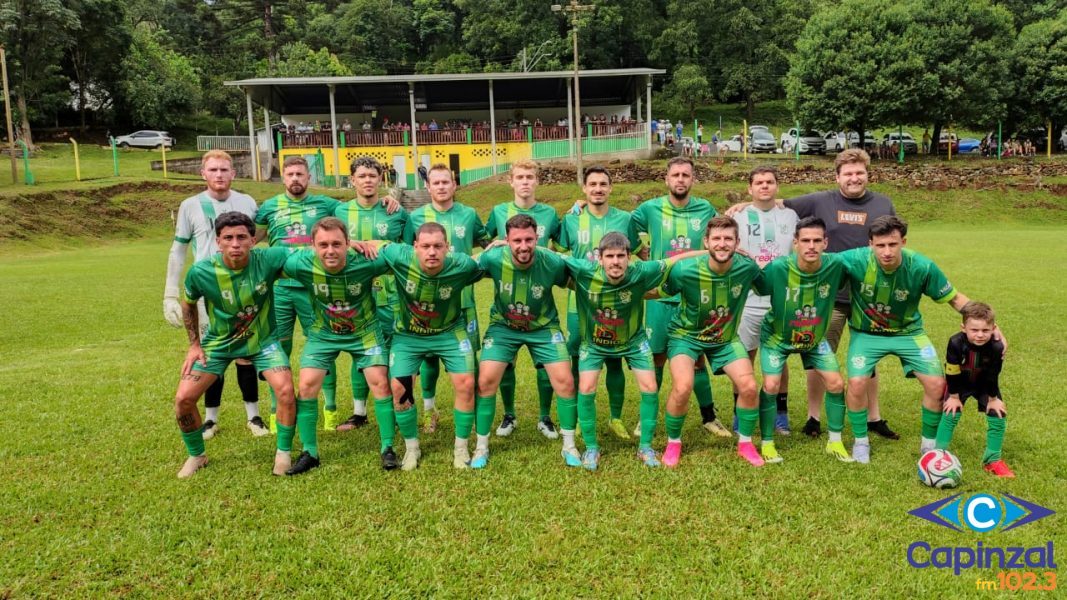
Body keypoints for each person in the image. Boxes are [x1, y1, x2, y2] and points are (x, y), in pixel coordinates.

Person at [726, 148, 899, 440]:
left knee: (868, 357)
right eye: (848, 173)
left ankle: (874, 417)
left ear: (868, 174)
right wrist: (743, 205)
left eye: (859, 173)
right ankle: (813, 416)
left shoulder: (883, 203)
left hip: (868, 296)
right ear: (837, 176)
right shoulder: (820, 200)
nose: (854, 178)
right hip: (827, 295)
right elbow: (773, 201)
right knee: (817, 353)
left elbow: (891, 243)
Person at [838, 216, 997, 464]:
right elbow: (815, 265)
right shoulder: (853, 259)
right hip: (866, 333)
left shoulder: (921, 266)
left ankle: (928, 446)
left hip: (909, 333)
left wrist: (991, 327)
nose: (887, 252)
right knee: (857, 382)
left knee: (936, 384)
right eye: (880, 246)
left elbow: (955, 299)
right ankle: (861, 442)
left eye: (893, 244)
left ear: (903, 241)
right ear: (870, 244)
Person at [563, 232, 702, 470]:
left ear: (630, 257)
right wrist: (504, 243)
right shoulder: (585, 271)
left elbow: (676, 259)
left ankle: (645, 447)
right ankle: (591, 448)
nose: (615, 261)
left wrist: (712, 251)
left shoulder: (642, 272)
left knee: (650, 387)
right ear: (600, 258)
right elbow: (549, 255)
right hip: (594, 343)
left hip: (633, 342)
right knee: (586, 388)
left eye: (620, 256)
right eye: (609, 256)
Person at [173, 212, 294, 478]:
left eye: (241, 237)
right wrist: (194, 344)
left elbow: (310, 251)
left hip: (264, 342)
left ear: (253, 240)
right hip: (219, 343)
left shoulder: (269, 258)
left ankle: (283, 454)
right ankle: (197, 455)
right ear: (218, 242)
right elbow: (188, 304)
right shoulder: (202, 272)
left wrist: (351, 243)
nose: (235, 243)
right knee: (183, 399)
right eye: (228, 238)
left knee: (285, 389)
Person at [163, 150, 266, 439]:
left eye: (224, 169)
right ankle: (210, 419)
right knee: (212, 354)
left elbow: (260, 231)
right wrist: (170, 293)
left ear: (233, 173)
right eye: (213, 170)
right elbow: (179, 248)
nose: (219, 174)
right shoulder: (190, 205)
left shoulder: (246, 202)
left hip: (244, 288)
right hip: (209, 291)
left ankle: (254, 416)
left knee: (247, 353)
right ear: (203, 174)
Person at [283, 218, 397, 472]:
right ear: (312, 245)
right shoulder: (299, 263)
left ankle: (388, 447)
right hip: (324, 333)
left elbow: (394, 250)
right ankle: (309, 452)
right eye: (323, 245)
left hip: (365, 331)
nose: (330, 250)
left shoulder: (368, 261)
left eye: (337, 243)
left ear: (348, 243)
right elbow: (272, 257)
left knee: (380, 382)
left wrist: (371, 242)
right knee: (306, 385)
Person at [629, 157, 727, 438]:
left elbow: (724, 230)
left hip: (693, 297)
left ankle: (709, 417)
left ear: (692, 179)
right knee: (656, 357)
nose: (680, 179)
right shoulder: (650, 208)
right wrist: (640, 251)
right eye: (676, 175)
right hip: (660, 295)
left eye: (686, 175)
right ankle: (645, 417)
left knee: (696, 359)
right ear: (666, 179)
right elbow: (625, 224)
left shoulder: (705, 208)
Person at [656, 217, 765, 468]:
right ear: (706, 242)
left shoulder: (747, 268)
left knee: (748, 386)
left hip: (724, 339)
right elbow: (659, 291)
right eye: (716, 238)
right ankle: (673, 443)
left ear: (738, 243)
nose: (722, 244)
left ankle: (746, 444)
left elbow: (770, 286)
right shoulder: (686, 270)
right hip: (685, 336)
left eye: (728, 239)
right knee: (683, 387)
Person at [474, 214, 576, 468]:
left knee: (565, 380)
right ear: (506, 240)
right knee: (486, 380)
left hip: (543, 327)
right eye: (516, 240)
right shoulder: (493, 258)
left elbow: (577, 280)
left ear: (537, 238)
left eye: (529, 239)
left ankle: (570, 446)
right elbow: (462, 270)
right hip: (504, 326)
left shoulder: (551, 261)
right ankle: (481, 447)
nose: (523, 246)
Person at [381, 223, 485, 470]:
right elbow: (377, 246)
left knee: (467, 383)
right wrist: (356, 243)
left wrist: (498, 247)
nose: (432, 252)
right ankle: (411, 448)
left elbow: (484, 262)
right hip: (408, 336)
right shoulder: (398, 255)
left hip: (449, 332)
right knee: (399, 389)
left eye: (438, 246)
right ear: (414, 247)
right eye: (425, 246)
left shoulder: (462, 265)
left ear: (448, 247)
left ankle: (461, 448)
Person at [752, 217, 851, 463]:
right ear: (795, 243)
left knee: (837, 384)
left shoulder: (836, 265)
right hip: (777, 337)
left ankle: (835, 442)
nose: (811, 246)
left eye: (817, 240)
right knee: (772, 385)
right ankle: (766, 443)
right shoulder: (777, 267)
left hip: (814, 339)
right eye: (805, 240)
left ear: (826, 243)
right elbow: (759, 285)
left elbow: (869, 255)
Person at [255, 156, 342, 432]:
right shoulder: (269, 207)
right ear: (283, 178)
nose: (295, 178)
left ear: (308, 177)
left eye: (300, 174)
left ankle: (330, 409)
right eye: (290, 174)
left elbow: (357, 211)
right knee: (277, 351)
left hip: (314, 290)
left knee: (321, 348)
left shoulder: (326, 205)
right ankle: (275, 410)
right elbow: (252, 239)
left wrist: (390, 201)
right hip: (279, 291)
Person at [404, 164, 490, 434]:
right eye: (436, 182)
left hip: (464, 299)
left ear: (455, 185)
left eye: (446, 182)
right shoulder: (415, 217)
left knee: (468, 358)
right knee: (429, 359)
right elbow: (408, 253)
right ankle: (430, 410)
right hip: (428, 301)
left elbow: (485, 243)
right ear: (427, 187)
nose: (441, 186)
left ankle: (471, 410)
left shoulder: (469, 214)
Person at [559, 166, 641, 440]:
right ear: (584, 188)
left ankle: (616, 418)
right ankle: (582, 417)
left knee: (615, 360)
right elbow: (557, 253)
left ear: (611, 188)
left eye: (603, 184)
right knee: (577, 356)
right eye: (592, 184)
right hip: (580, 303)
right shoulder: (571, 219)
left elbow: (641, 253)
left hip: (617, 302)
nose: (597, 189)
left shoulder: (625, 218)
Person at [484, 160, 563, 438]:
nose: (525, 181)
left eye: (530, 176)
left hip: (539, 298)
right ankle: (509, 415)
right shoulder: (497, 212)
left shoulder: (551, 213)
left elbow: (562, 245)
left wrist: (578, 207)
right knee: (506, 362)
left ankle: (545, 416)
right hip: (507, 298)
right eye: (520, 177)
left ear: (537, 181)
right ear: (511, 181)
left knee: (545, 364)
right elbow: (488, 244)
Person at [334, 157, 407, 432]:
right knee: (359, 353)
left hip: (390, 294)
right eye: (361, 176)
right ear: (352, 180)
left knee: (393, 353)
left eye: (372, 176)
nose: (367, 180)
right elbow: (324, 241)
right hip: (354, 295)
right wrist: (352, 243)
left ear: (380, 179)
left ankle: (400, 408)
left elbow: (409, 249)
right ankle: (359, 412)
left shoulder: (396, 213)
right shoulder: (339, 212)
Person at [732, 166, 797, 436]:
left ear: (777, 186)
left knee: (779, 359)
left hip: (781, 299)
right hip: (747, 298)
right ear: (750, 188)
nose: (764, 186)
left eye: (769, 182)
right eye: (758, 182)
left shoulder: (792, 215)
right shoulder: (738, 215)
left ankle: (780, 415)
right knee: (744, 356)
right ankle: (740, 414)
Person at [940, 301, 1013, 477]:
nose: (980, 335)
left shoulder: (996, 347)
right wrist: (954, 396)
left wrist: (994, 399)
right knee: (951, 411)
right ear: (963, 328)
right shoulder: (955, 342)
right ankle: (937, 454)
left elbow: (993, 375)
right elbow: (952, 371)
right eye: (974, 330)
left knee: (998, 414)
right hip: (959, 383)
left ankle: (992, 460)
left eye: (985, 331)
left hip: (984, 384)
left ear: (993, 328)